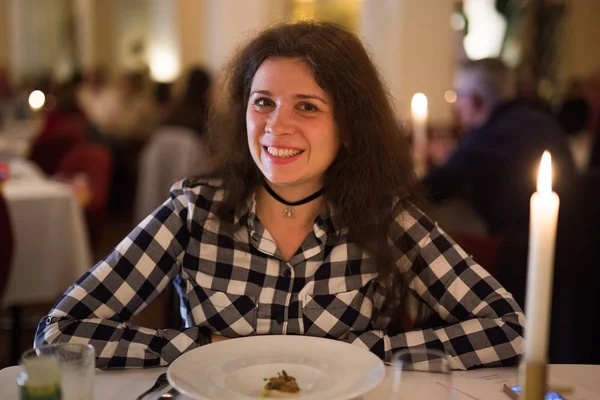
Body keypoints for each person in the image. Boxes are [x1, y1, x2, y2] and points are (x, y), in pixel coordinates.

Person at [35, 22, 524, 371]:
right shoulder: (193, 212)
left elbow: (508, 329)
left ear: (349, 128)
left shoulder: (386, 216)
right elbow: (60, 331)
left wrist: (368, 352)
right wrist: (197, 346)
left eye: (307, 106)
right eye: (263, 102)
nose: (276, 126)